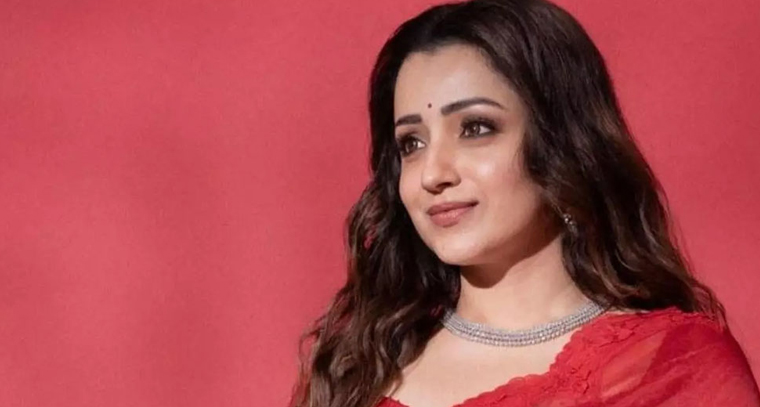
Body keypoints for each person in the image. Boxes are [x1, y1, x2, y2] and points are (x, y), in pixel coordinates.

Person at [288, 0, 760, 406]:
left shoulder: (673, 368)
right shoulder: (357, 369)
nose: (432, 174)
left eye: (475, 128)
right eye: (411, 143)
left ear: (562, 145)